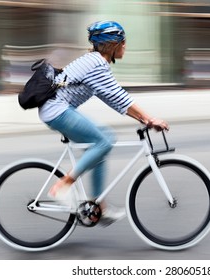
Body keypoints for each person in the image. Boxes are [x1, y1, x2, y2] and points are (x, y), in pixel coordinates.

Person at [38, 20, 169, 223]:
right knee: (103, 142)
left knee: (104, 139)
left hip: (58, 109)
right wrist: (149, 119)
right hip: (58, 110)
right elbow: (119, 97)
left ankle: (98, 206)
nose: (125, 46)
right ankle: (62, 186)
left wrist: (143, 118)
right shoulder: (96, 64)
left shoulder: (95, 61)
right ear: (113, 44)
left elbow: (111, 98)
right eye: (123, 42)